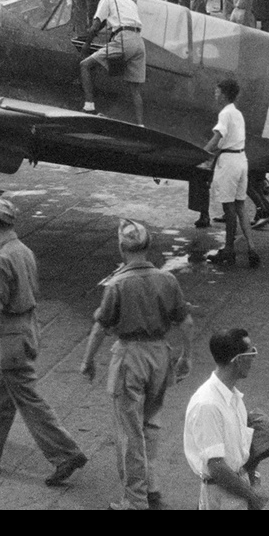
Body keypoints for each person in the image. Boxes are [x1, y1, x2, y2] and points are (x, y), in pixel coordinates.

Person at [0, 198, 88, 485]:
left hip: (13, 335)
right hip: (28, 326)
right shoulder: (23, 250)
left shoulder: (0, 259)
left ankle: (66, 453)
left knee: (28, 399)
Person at [80, 219, 195, 510]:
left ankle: (135, 499)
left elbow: (100, 328)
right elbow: (186, 321)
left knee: (129, 430)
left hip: (130, 357)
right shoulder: (167, 280)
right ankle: (151, 484)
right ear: (149, 246)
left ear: (122, 248)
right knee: (150, 423)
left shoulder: (117, 284)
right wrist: (186, 356)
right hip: (159, 355)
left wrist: (88, 360)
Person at [183, 328, 268, 510]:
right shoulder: (208, 404)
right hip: (221, 497)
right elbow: (217, 468)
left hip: (237, 489)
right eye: (251, 352)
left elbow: (240, 453)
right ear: (237, 360)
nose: (253, 358)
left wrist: (253, 480)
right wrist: (252, 495)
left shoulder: (233, 398)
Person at [203, 80, 258, 269]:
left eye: (217, 92)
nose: (215, 95)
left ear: (225, 94)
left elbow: (218, 138)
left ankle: (228, 250)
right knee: (241, 206)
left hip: (229, 163)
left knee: (229, 209)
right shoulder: (237, 113)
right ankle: (252, 248)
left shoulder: (225, 113)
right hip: (242, 159)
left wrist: (201, 154)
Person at [79, 0, 146, 125]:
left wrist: (87, 44)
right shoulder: (130, 2)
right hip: (139, 42)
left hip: (123, 39)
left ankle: (89, 106)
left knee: (85, 65)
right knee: (134, 88)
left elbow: (96, 24)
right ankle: (140, 124)